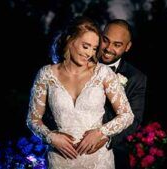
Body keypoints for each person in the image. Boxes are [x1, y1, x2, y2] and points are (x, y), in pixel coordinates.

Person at [26, 16, 134, 169]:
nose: (90, 53)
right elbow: (32, 119)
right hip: (60, 159)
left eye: (94, 48)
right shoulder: (46, 74)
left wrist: (100, 133)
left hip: (98, 160)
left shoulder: (103, 73)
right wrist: (51, 137)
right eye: (85, 46)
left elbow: (127, 115)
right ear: (70, 40)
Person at [82, 19, 147, 169]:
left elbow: (135, 119)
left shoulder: (136, 77)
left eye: (117, 45)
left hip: (111, 151)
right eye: (105, 40)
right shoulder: (80, 64)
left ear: (127, 47)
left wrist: (106, 138)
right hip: (71, 148)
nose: (108, 48)